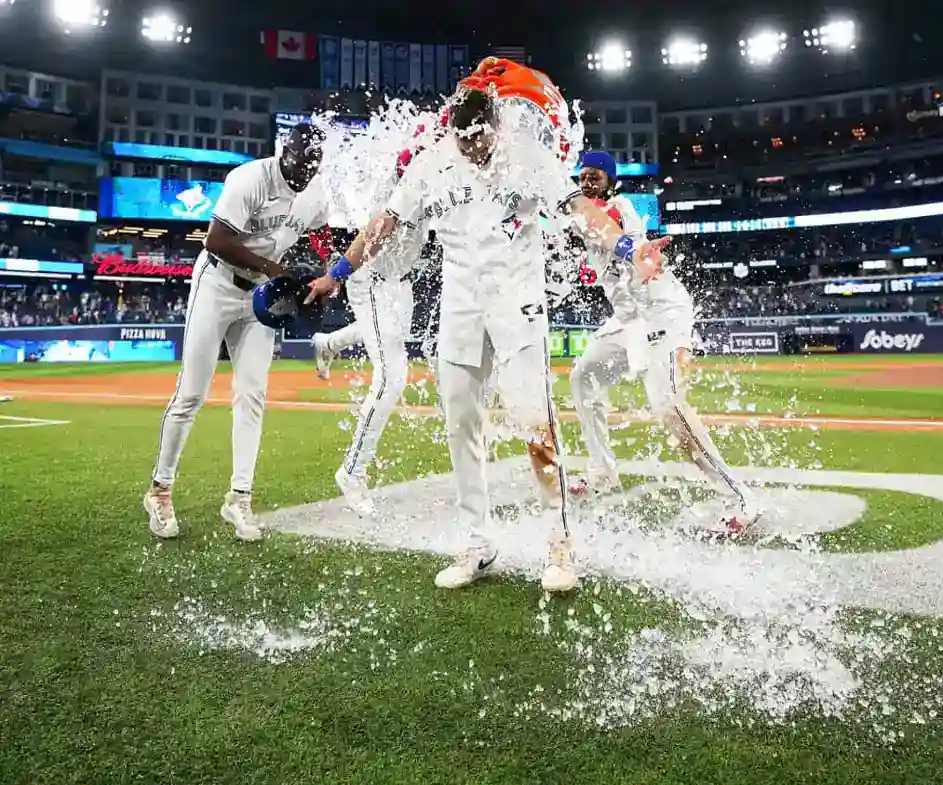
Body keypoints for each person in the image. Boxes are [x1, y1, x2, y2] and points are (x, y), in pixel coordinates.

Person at [305, 85, 670, 593]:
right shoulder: (433, 162)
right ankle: (477, 542)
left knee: (535, 422)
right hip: (459, 305)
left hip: (517, 302)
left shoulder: (527, 156)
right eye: (465, 140)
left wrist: (628, 245)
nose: (474, 149)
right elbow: (385, 224)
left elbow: (581, 211)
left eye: (481, 139)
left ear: (497, 125)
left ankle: (559, 544)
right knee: (460, 423)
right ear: (453, 132)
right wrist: (339, 272)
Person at [144, 123, 330, 541]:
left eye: (313, 166)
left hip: (261, 298)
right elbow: (215, 239)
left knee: (252, 396)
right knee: (191, 393)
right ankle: (160, 489)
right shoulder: (249, 178)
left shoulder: (317, 189)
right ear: (285, 151)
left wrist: (325, 266)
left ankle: (239, 498)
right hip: (218, 285)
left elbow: (319, 228)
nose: (304, 173)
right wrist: (274, 268)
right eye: (300, 163)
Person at [567, 151, 759, 536]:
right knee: (582, 376)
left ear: (611, 180)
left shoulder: (617, 208)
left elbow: (618, 235)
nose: (588, 182)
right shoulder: (581, 218)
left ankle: (740, 499)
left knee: (668, 407)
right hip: (628, 322)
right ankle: (602, 471)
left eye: (596, 177)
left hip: (662, 316)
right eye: (583, 176)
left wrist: (639, 256)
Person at [310, 150, 429, 514]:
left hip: (399, 282)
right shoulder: (394, 194)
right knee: (393, 376)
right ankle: (352, 471)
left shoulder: (435, 184)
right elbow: (369, 239)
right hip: (371, 280)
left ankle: (328, 343)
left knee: (386, 334)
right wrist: (334, 276)